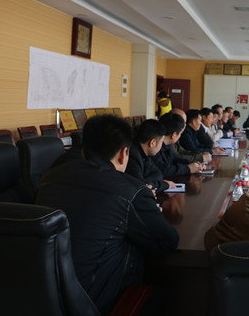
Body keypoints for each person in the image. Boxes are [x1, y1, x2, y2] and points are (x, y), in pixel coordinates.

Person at [36, 115, 179, 314]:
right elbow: (168, 241)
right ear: (124, 153)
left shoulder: (49, 178)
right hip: (96, 303)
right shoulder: (131, 191)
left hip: (44, 297)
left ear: (84, 150)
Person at [154, 113, 203, 177]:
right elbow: (163, 170)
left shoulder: (167, 144)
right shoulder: (155, 147)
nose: (180, 136)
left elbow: (174, 158)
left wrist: (192, 164)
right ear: (173, 135)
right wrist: (188, 168)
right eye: (180, 133)